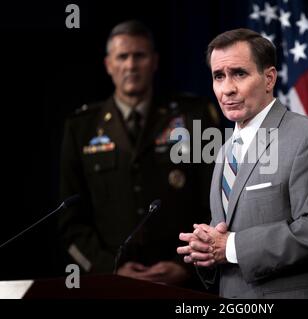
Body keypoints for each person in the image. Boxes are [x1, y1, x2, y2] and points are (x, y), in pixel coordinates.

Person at [177, 28, 308, 298]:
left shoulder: (306, 136)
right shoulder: (223, 152)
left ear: (269, 79)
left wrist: (231, 246)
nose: (227, 88)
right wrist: (208, 250)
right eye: (218, 76)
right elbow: (225, 241)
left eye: (239, 74)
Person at [59, 20, 218, 287]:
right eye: (123, 57)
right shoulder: (81, 127)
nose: (131, 66)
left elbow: (215, 203)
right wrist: (109, 269)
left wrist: (186, 265)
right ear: (109, 64)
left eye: (139, 56)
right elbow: (70, 222)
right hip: (111, 284)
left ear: (154, 62)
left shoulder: (194, 116)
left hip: (185, 281)